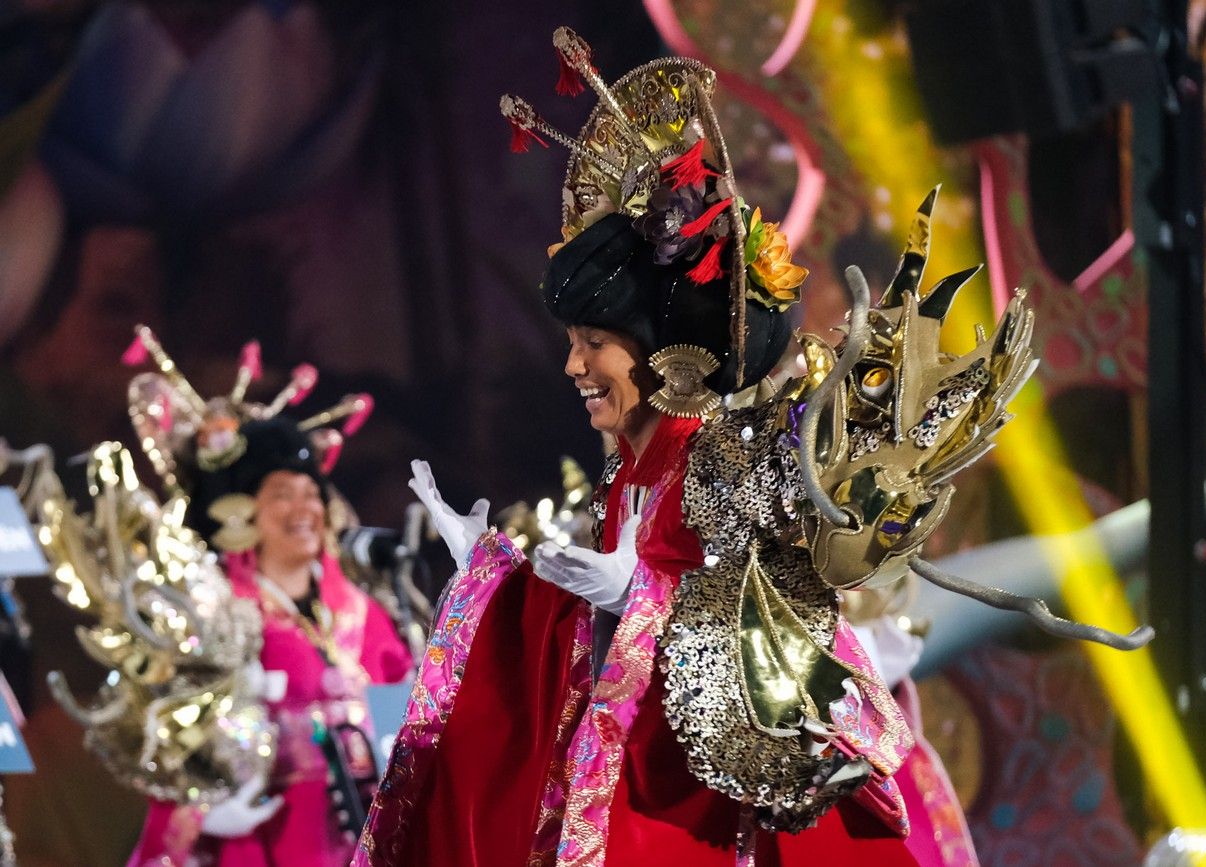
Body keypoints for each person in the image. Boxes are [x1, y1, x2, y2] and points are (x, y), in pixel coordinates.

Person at [356, 29, 924, 867]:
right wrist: (497, 577)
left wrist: (644, 598)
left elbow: (767, 637)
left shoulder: (720, 458)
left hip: (698, 816)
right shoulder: (635, 468)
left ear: (665, 350)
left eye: (595, 341)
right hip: (637, 792)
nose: (574, 364)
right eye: (573, 339)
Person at [44, 327, 413, 866]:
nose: (305, 508)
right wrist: (207, 811)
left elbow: (409, 717)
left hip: (371, 833)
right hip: (267, 835)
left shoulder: (364, 612)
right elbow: (179, 748)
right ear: (239, 512)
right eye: (282, 495)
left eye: (313, 494)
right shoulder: (215, 614)